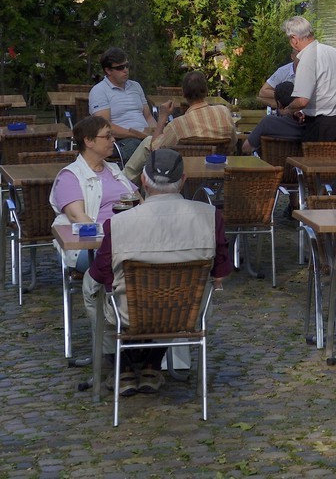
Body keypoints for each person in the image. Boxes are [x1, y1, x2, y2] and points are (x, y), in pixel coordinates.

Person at [88, 148, 232, 396]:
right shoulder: (210, 217)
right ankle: (150, 365)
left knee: (92, 288)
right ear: (183, 179)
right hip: (187, 312)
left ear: (143, 180)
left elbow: (102, 274)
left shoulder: (119, 223)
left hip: (130, 313)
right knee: (165, 297)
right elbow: (220, 271)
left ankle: (119, 365)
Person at [51, 115, 138, 272]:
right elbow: (79, 218)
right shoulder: (70, 177)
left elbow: (141, 203)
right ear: (88, 141)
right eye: (107, 136)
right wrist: (116, 238)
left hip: (130, 239)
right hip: (89, 247)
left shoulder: (115, 170)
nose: (113, 140)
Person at [122, 70, 237, 178]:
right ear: (206, 91)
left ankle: (124, 182)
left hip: (182, 176)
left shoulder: (178, 125)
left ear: (183, 93)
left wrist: (162, 117)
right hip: (218, 174)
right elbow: (233, 143)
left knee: (148, 142)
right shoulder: (224, 112)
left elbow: (155, 150)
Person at [89, 47, 173, 164]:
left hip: (145, 137)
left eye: (127, 66)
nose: (125, 70)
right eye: (120, 67)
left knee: (171, 143)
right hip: (120, 141)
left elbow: (148, 117)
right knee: (140, 147)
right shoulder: (99, 91)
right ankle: (144, 180)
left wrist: (157, 133)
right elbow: (104, 126)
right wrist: (137, 135)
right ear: (108, 70)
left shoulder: (136, 86)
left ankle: (164, 179)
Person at [281, 15, 336, 142]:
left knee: (315, 162)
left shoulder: (307, 58)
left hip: (321, 126)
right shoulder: (332, 51)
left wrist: (288, 109)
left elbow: (302, 101)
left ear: (294, 39)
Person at [240, 80, 304, 156]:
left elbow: (246, 148)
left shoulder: (268, 122)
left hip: (269, 166)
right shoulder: (306, 125)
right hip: (297, 166)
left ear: (279, 104)